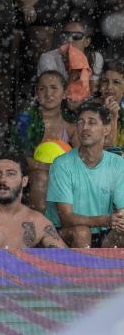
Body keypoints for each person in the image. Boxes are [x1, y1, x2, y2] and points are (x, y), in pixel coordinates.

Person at [46, 102, 124, 248]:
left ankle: (103, 262)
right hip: (65, 232)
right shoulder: (62, 164)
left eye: (92, 122)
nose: (84, 127)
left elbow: (122, 209)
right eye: (81, 122)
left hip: (103, 233)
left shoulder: (118, 163)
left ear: (106, 129)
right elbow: (66, 218)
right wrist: (105, 220)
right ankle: (85, 264)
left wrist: (120, 219)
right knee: (82, 233)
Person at [8, 71, 78, 213]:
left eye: (54, 88)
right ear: (36, 93)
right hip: (31, 177)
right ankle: (40, 223)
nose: (48, 93)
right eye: (42, 88)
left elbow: (83, 157)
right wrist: (46, 167)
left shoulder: (71, 122)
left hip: (63, 178)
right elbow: (16, 157)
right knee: (41, 177)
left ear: (65, 93)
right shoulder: (24, 120)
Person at [37, 19, 104, 89]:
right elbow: (53, 92)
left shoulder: (95, 57)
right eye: (65, 35)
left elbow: (92, 90)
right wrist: (75, 68)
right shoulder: (48, 58)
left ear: (86, 42)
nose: (70, 40)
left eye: (76, 36)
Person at [93, 61, 124, 148]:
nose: (109, 87)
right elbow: (107, 149)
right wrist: (112, 117)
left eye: (116, 82)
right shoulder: (88, 109)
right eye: (105, 81)